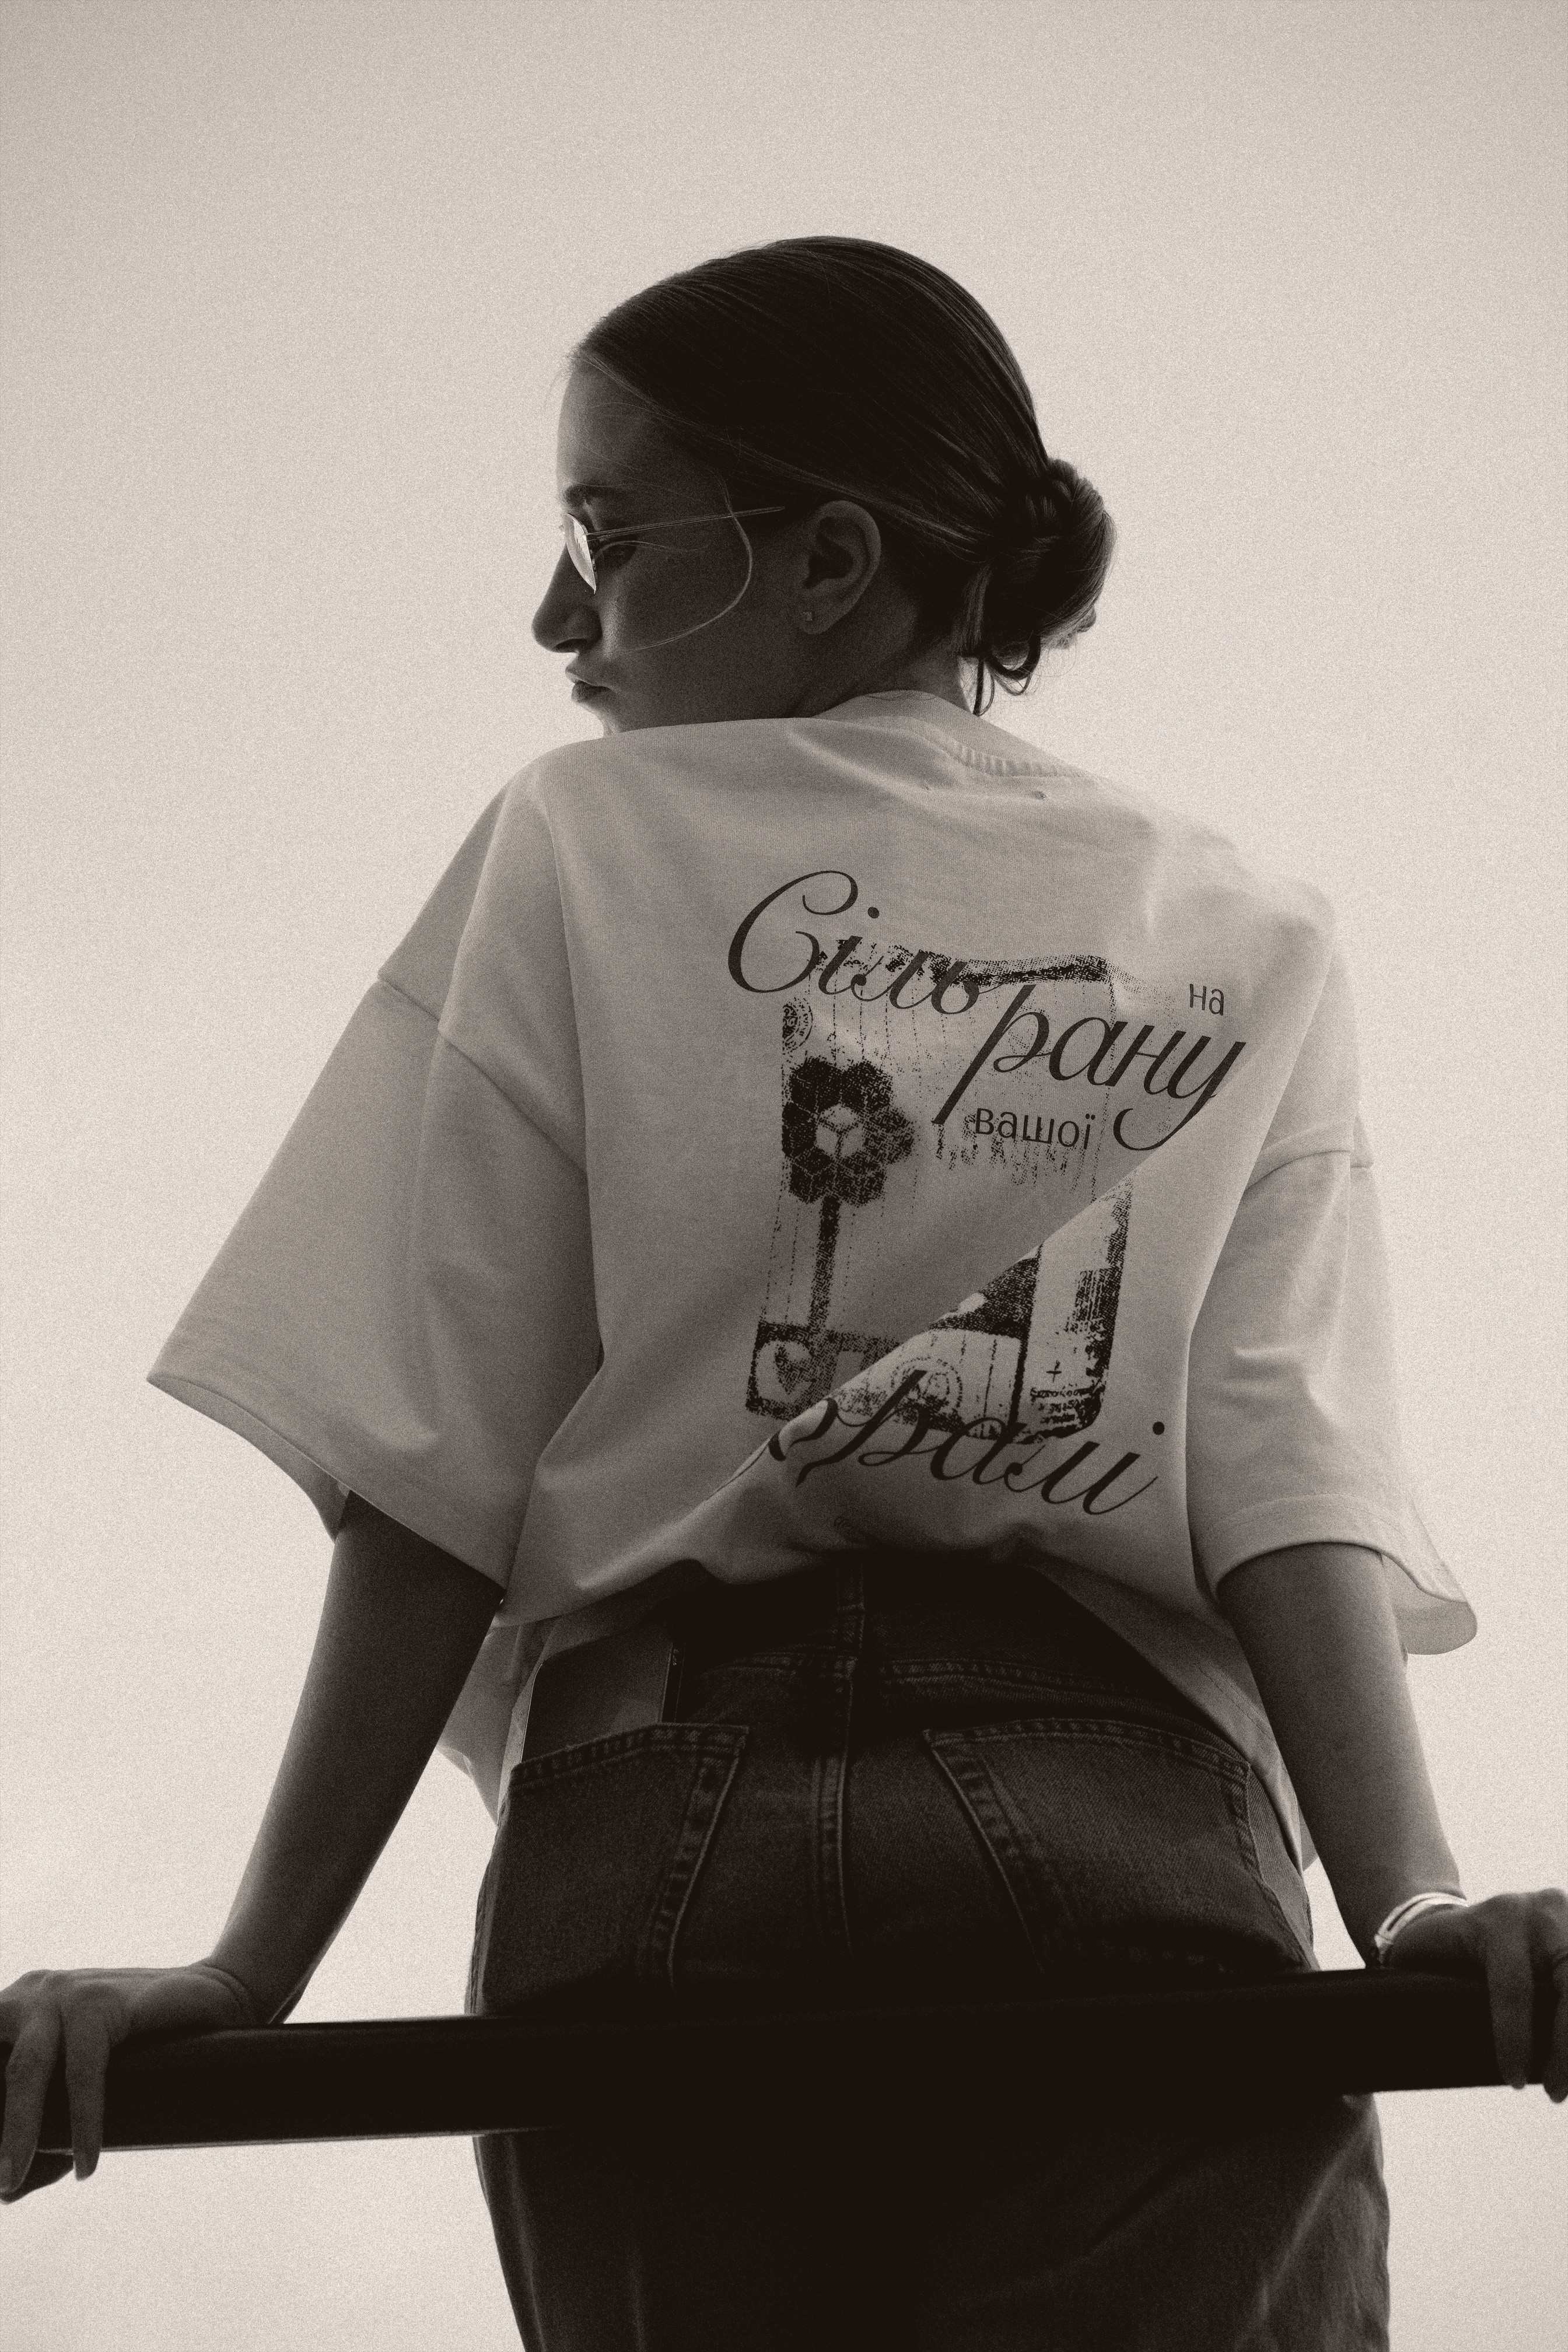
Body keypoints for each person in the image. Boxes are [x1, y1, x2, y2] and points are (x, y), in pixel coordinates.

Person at [1, 235, 1563, 2350]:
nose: (559, 616)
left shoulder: (579, 840)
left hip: (658, 1845)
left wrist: (249, 1969)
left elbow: (436, 1471)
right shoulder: (1245, 925)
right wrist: (1411, 1901)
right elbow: (1284, 1473)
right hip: (1115, 1844)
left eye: (608, 535)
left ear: (827, 558)